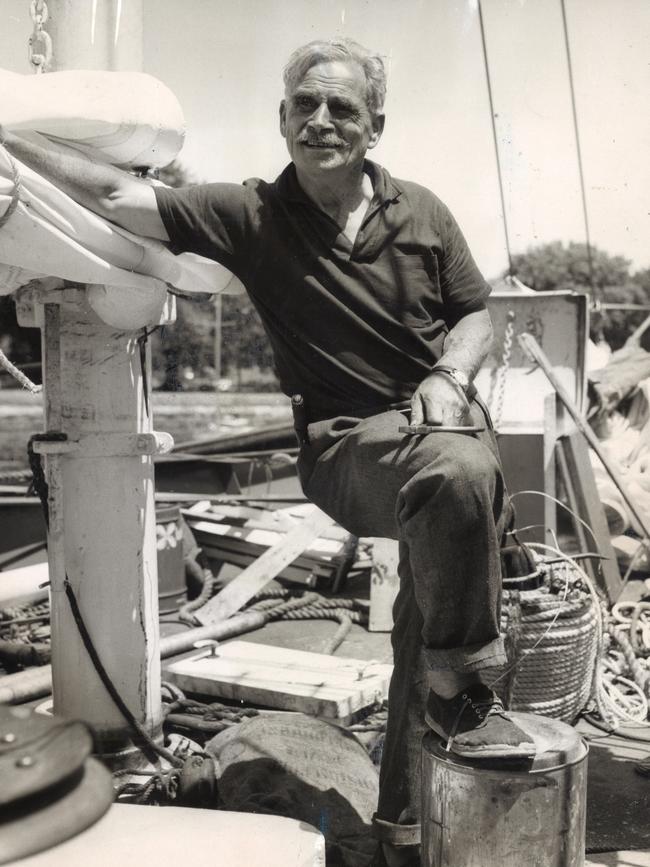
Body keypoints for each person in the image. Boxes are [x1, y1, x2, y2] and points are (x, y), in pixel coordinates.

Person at [1, 39, 536, 867]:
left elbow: (476, 315)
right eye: (303, 106)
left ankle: (401, 831)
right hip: (350, 446)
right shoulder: (251, 215)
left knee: (424, 619)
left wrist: (448, 374)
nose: (320, 121)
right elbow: (113, 189)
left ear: (376, 126)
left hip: (438, 429)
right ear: (282, 118)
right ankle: (466, 689)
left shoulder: (423, 211)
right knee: (459, 480)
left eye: (342, 108)